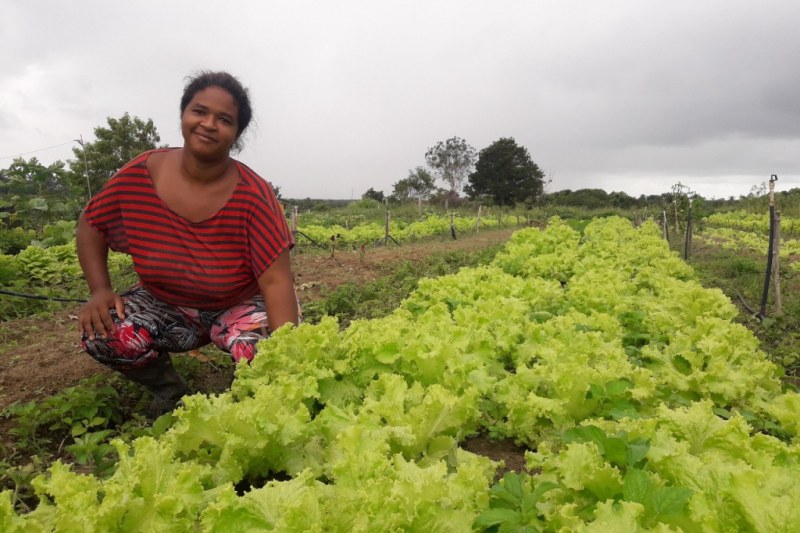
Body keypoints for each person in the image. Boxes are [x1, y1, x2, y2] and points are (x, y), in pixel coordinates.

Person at [76, 70, 299, 416]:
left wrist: (289, 357)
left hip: (238, 304)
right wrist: (99, 290)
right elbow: (91, 224)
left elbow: (277, 281)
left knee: (268, 356)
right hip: (166, 304)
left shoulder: (254, 195)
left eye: (224, 119)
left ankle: (255, 405)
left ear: (236, 134)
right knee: (104, 333)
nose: (209, 124)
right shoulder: (139, 175)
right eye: (199, 111)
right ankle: (169, 389)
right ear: (183, 115)